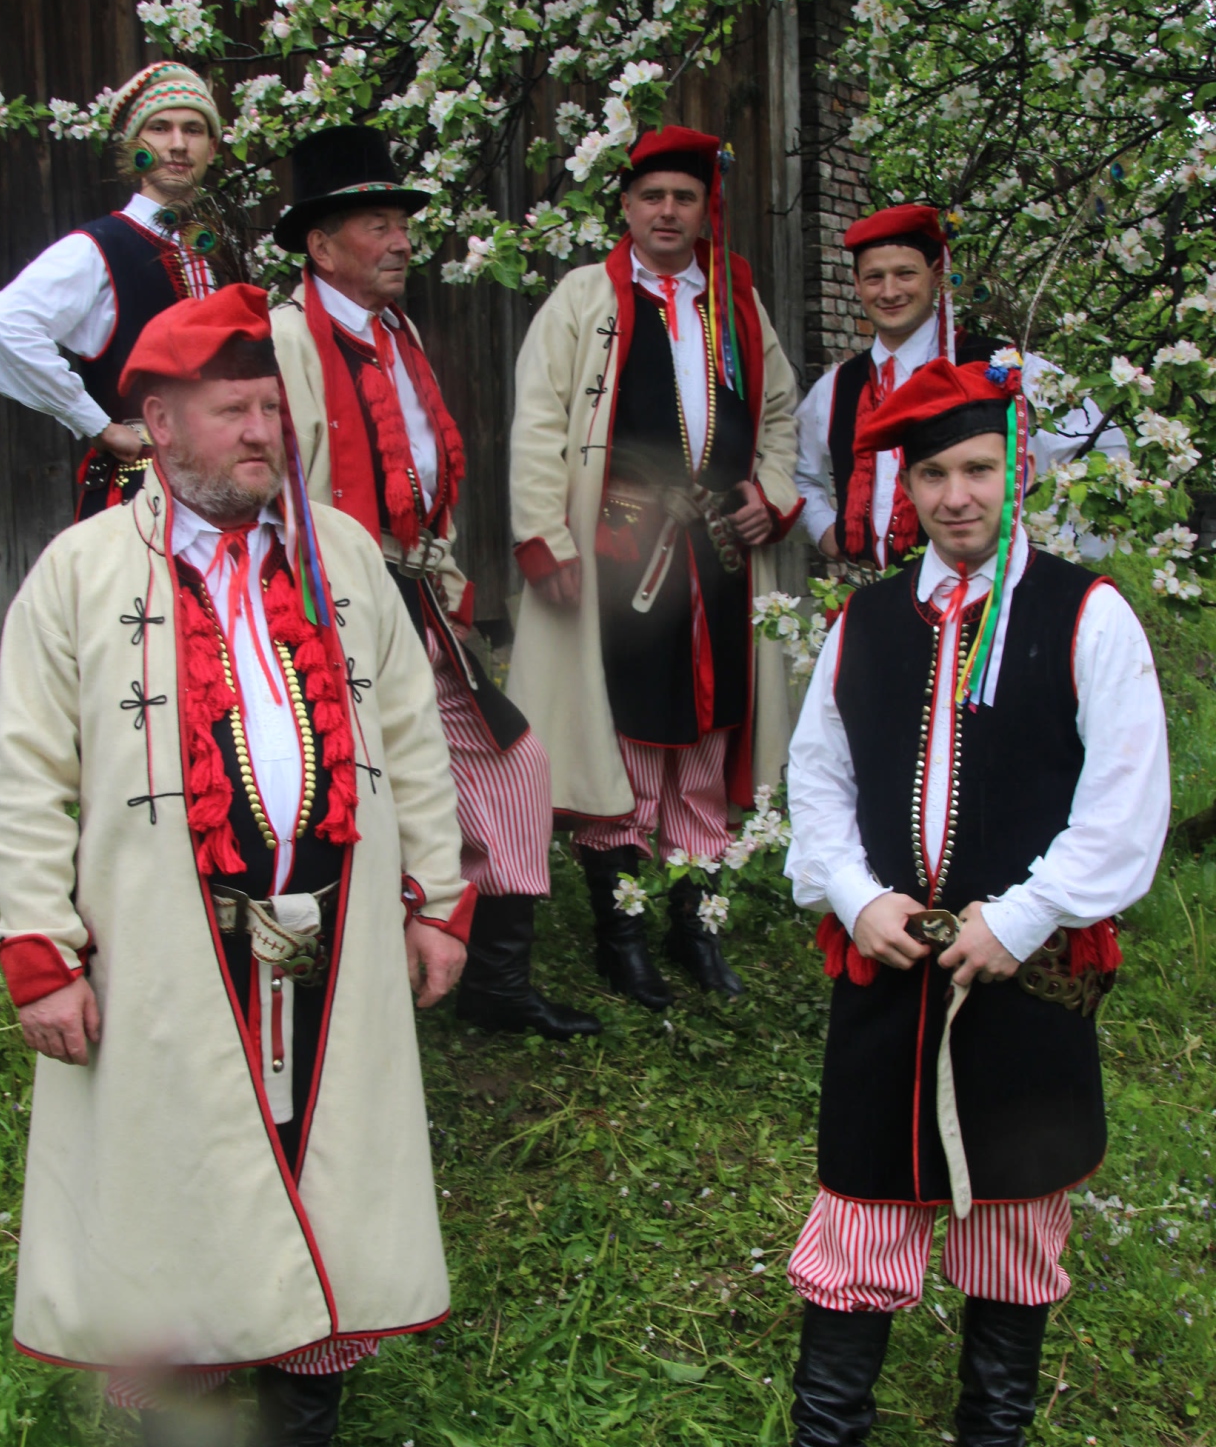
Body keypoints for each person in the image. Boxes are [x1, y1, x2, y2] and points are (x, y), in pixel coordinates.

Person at [0, 283, 472, 1447]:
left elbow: (414, 733)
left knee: (332, 1185)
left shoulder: (344, 557)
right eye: (232, 409)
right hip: (160, 957)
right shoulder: (82, 574)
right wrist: (41, 950)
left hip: (338, 941)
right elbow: (26, 777)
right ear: (159, 424)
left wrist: (437, 898)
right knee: (176, 1210)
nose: (264, 431)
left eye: (272, 406)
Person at [733, 353, 1169, 1447]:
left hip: (1019, 976)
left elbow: (1122, 803)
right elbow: (818, 778)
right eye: (931, 474)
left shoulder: (1086, 615)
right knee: (861, 1199)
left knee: (1014, 1210)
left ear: (1014, 469)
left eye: (977, 468)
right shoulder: (865, 622)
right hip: (888, 967)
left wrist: (1023, 918)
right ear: (906, 486)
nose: (955, 496)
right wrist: (855, 892)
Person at [270, 125, 599, 1042]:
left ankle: (495, 981)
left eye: (402, 224)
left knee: (512, 763)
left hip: (415, 593)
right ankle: (347, 981)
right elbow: (287, 493)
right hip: (335, 598)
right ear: (321, 246)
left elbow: (422, 478)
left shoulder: (397, 334)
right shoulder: (290, 340)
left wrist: (440, 570)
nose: (402, 242)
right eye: (378, 225)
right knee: (355, 786)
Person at [508, 127, 801, 1008]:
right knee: (626, 731)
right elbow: (538, 420)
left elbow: (778, 414)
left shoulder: (737, 301)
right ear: (627, 207)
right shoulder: (583, 298)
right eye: (652, 197)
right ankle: (622, 937)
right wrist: (543, 535)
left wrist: (771, 493)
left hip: (717, 553)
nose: (667, 212)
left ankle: (695, 926)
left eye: (684, 197)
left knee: (711, 728)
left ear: (706, 208)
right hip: (619, 555)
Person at [795, 202, 1126, 565]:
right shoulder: (836, 387)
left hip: (990, 588)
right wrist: (824, 530)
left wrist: (1055, 547)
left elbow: (1104, 447)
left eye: (905, 274)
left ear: (936, 275)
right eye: (875, 277)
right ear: (857, 283)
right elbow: (797, 472)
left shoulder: (1006, 367)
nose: (889, 292)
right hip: (870, 589)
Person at [0, 61, 221, 518]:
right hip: (138, 499)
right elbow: (5, 326)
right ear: (136, 147)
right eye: (160, 128)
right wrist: (96, 423)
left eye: (192, 130)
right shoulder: (100, 247)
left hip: (217, 493)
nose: (177, 144)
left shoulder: (212, 257)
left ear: (211, 147)